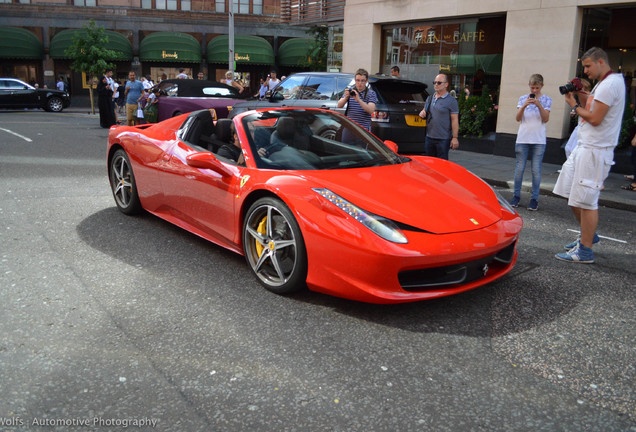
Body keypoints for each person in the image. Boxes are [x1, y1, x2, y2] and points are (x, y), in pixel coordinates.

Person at [553, 47, 626, 263]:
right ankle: (588, 235)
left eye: (588, 66)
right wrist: (580, 95)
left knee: (586, 200)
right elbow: (592, 109)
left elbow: (595, 119)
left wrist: (573, 104)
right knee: (569, 192)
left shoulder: (610, 84)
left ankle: (585, 250)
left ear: (601, 61)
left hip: (595, 150)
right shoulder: (603, 84)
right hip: (585, 146)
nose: (585, 71)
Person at [509, 73, 552, 211]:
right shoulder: (523, 99)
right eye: (532, 87)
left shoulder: (546, 100)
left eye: (537, 88)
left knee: (536, 170)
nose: (534, 91)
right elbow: (517, 118)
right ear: (529, 86)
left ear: (542, 86)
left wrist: (539, 105)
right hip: (523, 139)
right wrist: (523, 106)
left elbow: (545, 119)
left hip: (539, 140)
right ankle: (516, 196)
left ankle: (534, 199)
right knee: (519, 169)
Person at [418, 73, 459, 159]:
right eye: (435, 82)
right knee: (429, 164)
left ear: (446, 85)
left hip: (443, 139)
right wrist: (422, 112)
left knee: (442, 165)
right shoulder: (430, 98)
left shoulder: (452, 101)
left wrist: (455, 137)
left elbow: (454, 120)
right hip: (429, 137)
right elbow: (425, 110)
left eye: (439, 82)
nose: (436, 84)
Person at [336, 68, 377, 132]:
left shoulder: (371, 93)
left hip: (363, 131)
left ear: (366, 81)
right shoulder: (351, 91)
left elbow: (371, 110)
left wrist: (359, 100)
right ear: (355, 80)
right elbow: (339, 105)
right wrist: (346, 97)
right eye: (357, 80)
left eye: (362, 81)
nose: (359, 83)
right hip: (349, 129)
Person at [564, 78, 592, 158]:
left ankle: (573, 167)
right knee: (568, 148)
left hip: (585, 127)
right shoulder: (580, 96)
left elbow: (587, 109)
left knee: (574, 150)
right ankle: (570, 166)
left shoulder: (589, 96)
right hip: (580, 125)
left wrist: (576, 108)